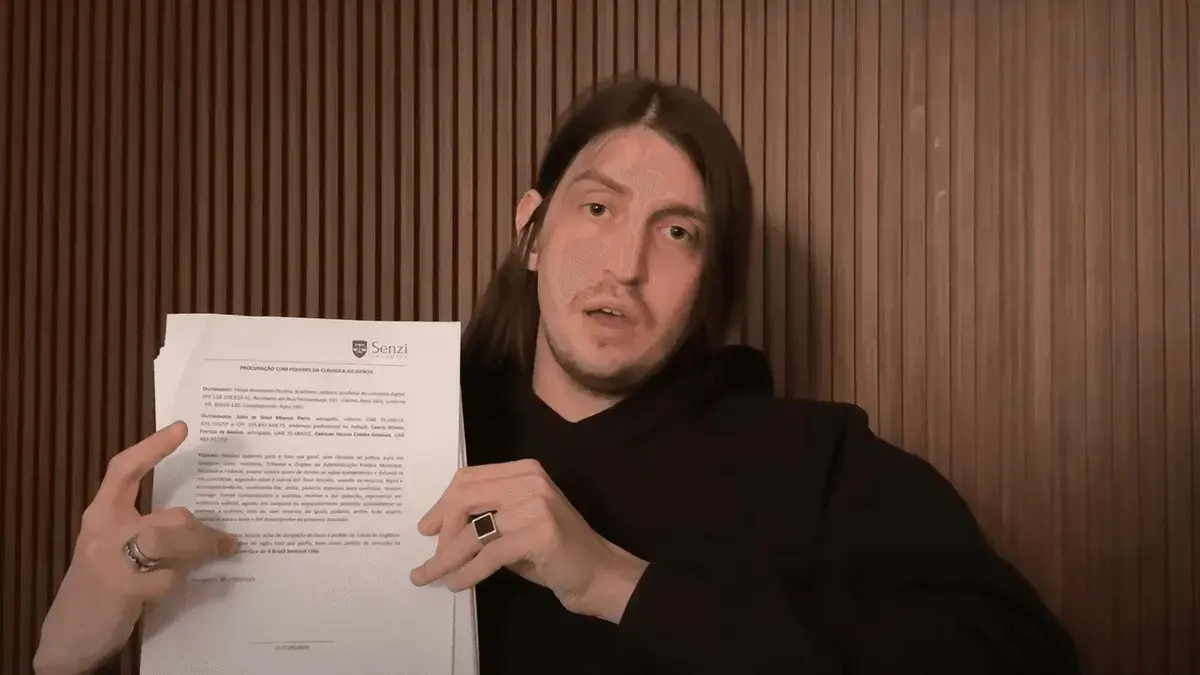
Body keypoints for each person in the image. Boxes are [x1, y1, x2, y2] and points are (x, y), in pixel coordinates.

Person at [34, 76, 1080, 675]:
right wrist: (70, 643)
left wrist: (616, 583)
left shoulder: (816, 462)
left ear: (712, 280)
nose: (625, 263)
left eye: (678, 231)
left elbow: (1021, 658)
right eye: (598, 207)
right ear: (531, 231)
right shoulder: (380, 428)